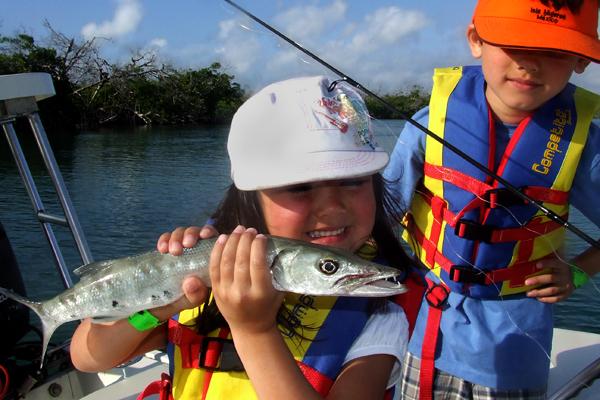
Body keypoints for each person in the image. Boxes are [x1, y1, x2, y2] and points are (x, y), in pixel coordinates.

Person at [70, 75, 415, 399]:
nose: (332, 207)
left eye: (353, 180)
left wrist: (255, 331)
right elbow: (88, 356)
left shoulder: (380, 312)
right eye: (299, 187)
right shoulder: (211, 272)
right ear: (250, 198)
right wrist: (161, 306)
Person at [382, 0, 600, 398]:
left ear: (581, 61)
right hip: (426, 336)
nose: (530, 64)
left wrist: (580, 271)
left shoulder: (584, 146)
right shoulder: (427, 125)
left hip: (517, 351)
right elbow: (378, 217)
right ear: (476, 40)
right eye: (515, 45)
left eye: (553, 51)